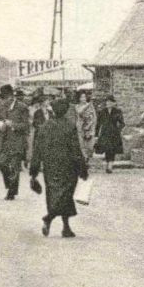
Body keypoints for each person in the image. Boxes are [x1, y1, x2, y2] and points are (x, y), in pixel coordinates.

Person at [30, 97, 89, 238]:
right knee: (66, 195)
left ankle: (65, 227)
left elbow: (37, 150)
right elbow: (76, 150)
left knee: (54, 195)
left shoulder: (44, 127)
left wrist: (34, 170)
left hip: (50, 167)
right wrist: (82, 168)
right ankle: (51, 219)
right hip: (68, 167)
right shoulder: (69, 126)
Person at [0, 84, 30, 200]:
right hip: (3, 141)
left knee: (14, 167)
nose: (4, 101)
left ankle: (11, 192)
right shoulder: (1, 107)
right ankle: (10, 185)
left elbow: (26, 125)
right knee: (2, 165)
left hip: (17, 141)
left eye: (6, 98)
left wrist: (13, 125)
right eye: (3, 98)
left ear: (12, 96)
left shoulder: (22, 107)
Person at [96, 98, 125, 170]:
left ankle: (110, 166)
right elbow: (98, 123)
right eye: (107, 102)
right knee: (106, 149)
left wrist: (118, 129)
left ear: (113, 103)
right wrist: (96, 134)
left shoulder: (117, 111)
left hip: (114, 133)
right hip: (105, 133)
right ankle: (107, 163)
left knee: (112, 149)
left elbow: (122, 123)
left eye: (110, 102)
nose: (108, 103)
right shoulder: (102, 112)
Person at [75, 87, 98, 165]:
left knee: (90, 146)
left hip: (90, 127)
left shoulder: (91, 106)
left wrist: (92, 126)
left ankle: (87, 157)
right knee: (82, 145)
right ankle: (84, 159)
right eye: (81, 97)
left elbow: (94, 117)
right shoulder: (77, 106)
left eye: (84, 97)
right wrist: (88, 105)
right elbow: (79, 112)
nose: (83, 99)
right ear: (79, 98)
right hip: (81, 128)